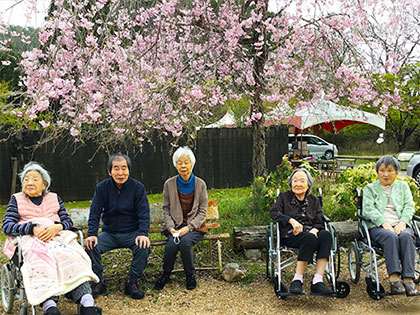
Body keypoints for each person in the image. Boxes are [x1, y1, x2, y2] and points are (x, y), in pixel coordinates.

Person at [2, 162, 101, 315]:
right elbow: (7, 226)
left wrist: (58, 227)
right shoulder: (17, 200)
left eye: (34, 179)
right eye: (26, 179)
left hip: (57, 237)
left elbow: (68, 221)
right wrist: (32, 228)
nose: (29, 182)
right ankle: (50, 306)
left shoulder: (54, 198)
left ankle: (87, 303)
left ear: (44, 184)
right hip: (31, 239)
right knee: (42, 261)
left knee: (72, 256)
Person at [84, 153, 151, 299]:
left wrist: (143, 233)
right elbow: (95, 212)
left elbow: (144, 213)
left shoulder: (137, 188)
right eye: (116, 168)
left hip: (132, 233)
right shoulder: (102, 188)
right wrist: (92, 234)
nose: (120, 173)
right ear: (110, 171)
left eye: (124, 168)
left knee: (143, 246)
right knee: (90, 246)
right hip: (109, 233)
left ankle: (132, 282)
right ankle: (98, 281)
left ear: (129, 170)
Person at [269, 168, 333, 296]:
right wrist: (291, 220)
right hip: (290, 235)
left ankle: (317, 281)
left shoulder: (314, 201)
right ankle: (297, 279)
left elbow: (320, 220)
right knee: (309, 238)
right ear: (290, 183)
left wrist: (315, 229)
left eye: (302, 181)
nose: (298, 184)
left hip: (311, 234)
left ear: (308, 184)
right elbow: (273, 212)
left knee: (326, 235)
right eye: (295, 181)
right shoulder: (283, 197)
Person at [363, 155, 419, 296]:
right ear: (377, 172)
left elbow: (409, 206)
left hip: (400, 224)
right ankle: (394, 280)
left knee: (406, 236)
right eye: (382, 170)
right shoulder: (370, 189)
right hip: (378, 227)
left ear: (397, 172)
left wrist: (403, 222)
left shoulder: (403, 186)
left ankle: (408, 279)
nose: (386, 174)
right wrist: (384, 222)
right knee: (390, 236)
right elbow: (368, 209)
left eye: (390, 170)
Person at [154, 146, 208, 290]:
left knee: (185, 243)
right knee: (171, 245)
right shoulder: (169, 184)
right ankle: (166, 274)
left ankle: (190, 276)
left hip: (194, 227)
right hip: (175, 227)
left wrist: (189, 227)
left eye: (186, 162)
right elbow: (165, 209)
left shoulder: (200, 184)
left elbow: (202, 212)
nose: (183, 166)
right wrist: (171, 227)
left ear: (192, 164)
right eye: (179, 163)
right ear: (175, 165)